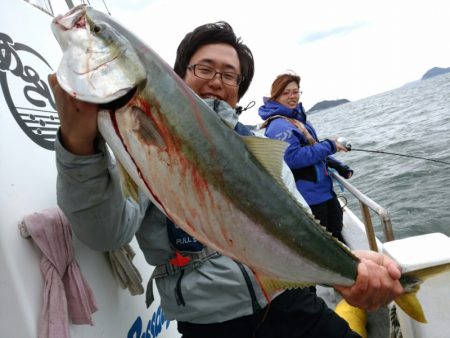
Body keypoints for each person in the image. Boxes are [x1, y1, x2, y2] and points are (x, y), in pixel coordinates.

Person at [49, 21, 403, 338]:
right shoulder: (141, 143)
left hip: (295, 306)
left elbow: (298, 224)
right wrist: (79, 147)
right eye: (204, 67)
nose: (217, 80)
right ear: (179, 75)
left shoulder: (261, 151)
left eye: (230, 75)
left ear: (240, 87)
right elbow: (104, 232)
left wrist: (346, 265)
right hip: (211, 326)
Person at [259, 73, 353, 244]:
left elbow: (313, 149)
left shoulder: (297, 120)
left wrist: (339, 166)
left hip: (325, 192)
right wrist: (330, 145)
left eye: (296, 92)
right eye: (286, 92)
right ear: (276, 95)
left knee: (337, 235)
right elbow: (292, 158)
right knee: (324, 244)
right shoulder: (278, 125)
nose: (292, 96)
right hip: (309, 198)